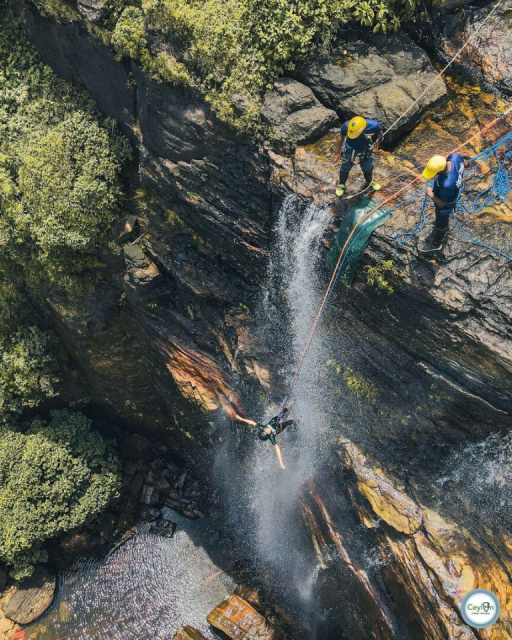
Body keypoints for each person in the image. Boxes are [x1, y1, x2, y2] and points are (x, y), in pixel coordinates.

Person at [420, 152, 465, 252]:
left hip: (446, 204)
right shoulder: (455, 157)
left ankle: (436, 244)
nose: (434, 175)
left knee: (442, 223)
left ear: (441, 170)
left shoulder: (447, 184)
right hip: (453, 191)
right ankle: (437, 222)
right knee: (439, 217)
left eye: (435, 173)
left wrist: (430, 193)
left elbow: (441, 203)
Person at [232, 402, 296, 470]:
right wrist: (281, 463)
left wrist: (241, 419)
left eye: (265, 429)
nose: (266, 429)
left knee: (283, 411)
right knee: (288, 422)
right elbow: (277, 449)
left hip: (275, 420)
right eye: (266, 431)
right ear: (267, 434)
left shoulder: (262, 428)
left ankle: (292, 401)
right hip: (280, 427)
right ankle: (297, 418)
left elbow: (252, 422)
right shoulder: (271, 437)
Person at [335, 116, 384, 197]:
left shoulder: (374, 125)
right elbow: (341, 137)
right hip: (350, 148)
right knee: (345, 166)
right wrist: (337, 152)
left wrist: (378, 143)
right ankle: (341, 184)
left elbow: (380, 135)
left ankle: (369, 181)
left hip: (366, 148)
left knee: (367, 167)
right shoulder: (346, 126)